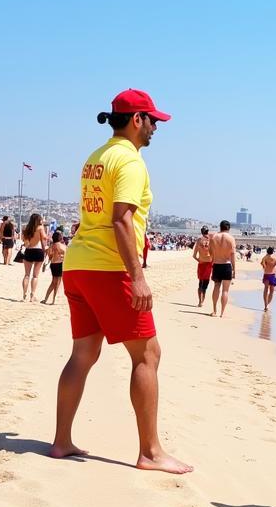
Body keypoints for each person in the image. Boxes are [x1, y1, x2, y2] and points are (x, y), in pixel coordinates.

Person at [49, 88, 192, 474]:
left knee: (83, 353)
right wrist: (138, 277)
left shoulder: (96, 157)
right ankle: (150, 451)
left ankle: (62, 441)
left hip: (79, 265)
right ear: (136, 120)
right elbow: (121, 219)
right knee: (148, 354)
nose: (155, 128)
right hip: (108, 268)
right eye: (153, 121)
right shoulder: (130, 161)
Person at [209, 220, 236, 317]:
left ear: (220, 227)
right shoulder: (231, 238)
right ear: (229, 228)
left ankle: (214, 310)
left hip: (217, 264)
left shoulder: (214, 237)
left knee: (216, 287)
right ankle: (222, 313)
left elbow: (211, 252)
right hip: (226, 264)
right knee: (225, 290)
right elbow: (233, 255)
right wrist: (234, 269)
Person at [20, 213, 49, 302]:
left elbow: (24, 241)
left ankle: (24, 294)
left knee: (27, 275)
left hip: (29, 250)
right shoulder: (40, 228)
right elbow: (44, 238)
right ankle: (32, 295)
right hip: (38, 251)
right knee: (35, 276)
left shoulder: (25, 228)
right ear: (38, 220)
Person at [42, 230, 67, 305]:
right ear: (60, 238)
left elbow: (49, 256)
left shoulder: (51, 246)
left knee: (53, 282)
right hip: (59, 264)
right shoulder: (62, 246)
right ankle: (54, 300)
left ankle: (46, 298)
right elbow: (65, 253)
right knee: (57, 283)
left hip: (53, 265)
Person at [191, 226, 214, 307]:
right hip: (209, 264)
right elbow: (214, 253)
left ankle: (200, 301)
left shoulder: (199, 240)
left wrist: (199, 260)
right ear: (208, 231)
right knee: (205, 284)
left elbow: (194, 255)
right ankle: (202, 300)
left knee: (200, 283)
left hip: (201, 263)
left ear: (201, 232)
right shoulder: (211, 240)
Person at [260, 247, 276, 311]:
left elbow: (263, 265)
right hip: (272, 275)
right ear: (273, 252)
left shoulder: (265, 258)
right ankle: (268, 304)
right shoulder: (275, 258)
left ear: (267, 251)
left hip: (266, 274)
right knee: (271, 291)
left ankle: (265, 305)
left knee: (266, 289)